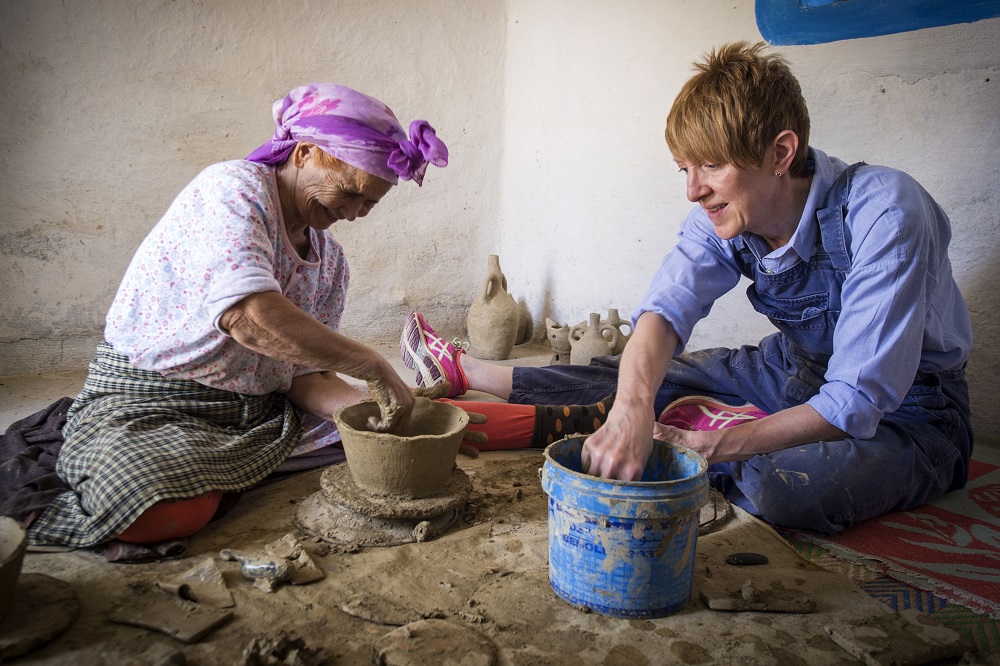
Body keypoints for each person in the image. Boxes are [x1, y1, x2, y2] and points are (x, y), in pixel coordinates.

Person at [401, 42, 974, 535]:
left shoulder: (885, 211)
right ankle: (481, 375)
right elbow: (665, 314)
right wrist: (630, 407)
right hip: (791, 370)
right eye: (684, 169)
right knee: (636, 371)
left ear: (781, 152)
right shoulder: (723, 210)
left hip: (913, 414)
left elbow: (856, 399)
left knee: (786, 490)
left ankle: (696, 440)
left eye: (711, 167)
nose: (693, 191)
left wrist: (713, 444)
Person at [26, 83, 450, 548]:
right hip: (156, 399)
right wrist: (371, 366)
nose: (354, 213)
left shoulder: (330, 261)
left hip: (257, 411)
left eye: (370, 203)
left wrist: (362, 409)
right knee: (152, 512)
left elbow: (303, 376)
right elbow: (249, 317)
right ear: (306, 153)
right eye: (350, 193)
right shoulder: (232, 190)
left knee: (408, 430)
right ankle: (208, 473)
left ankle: (533, 417)